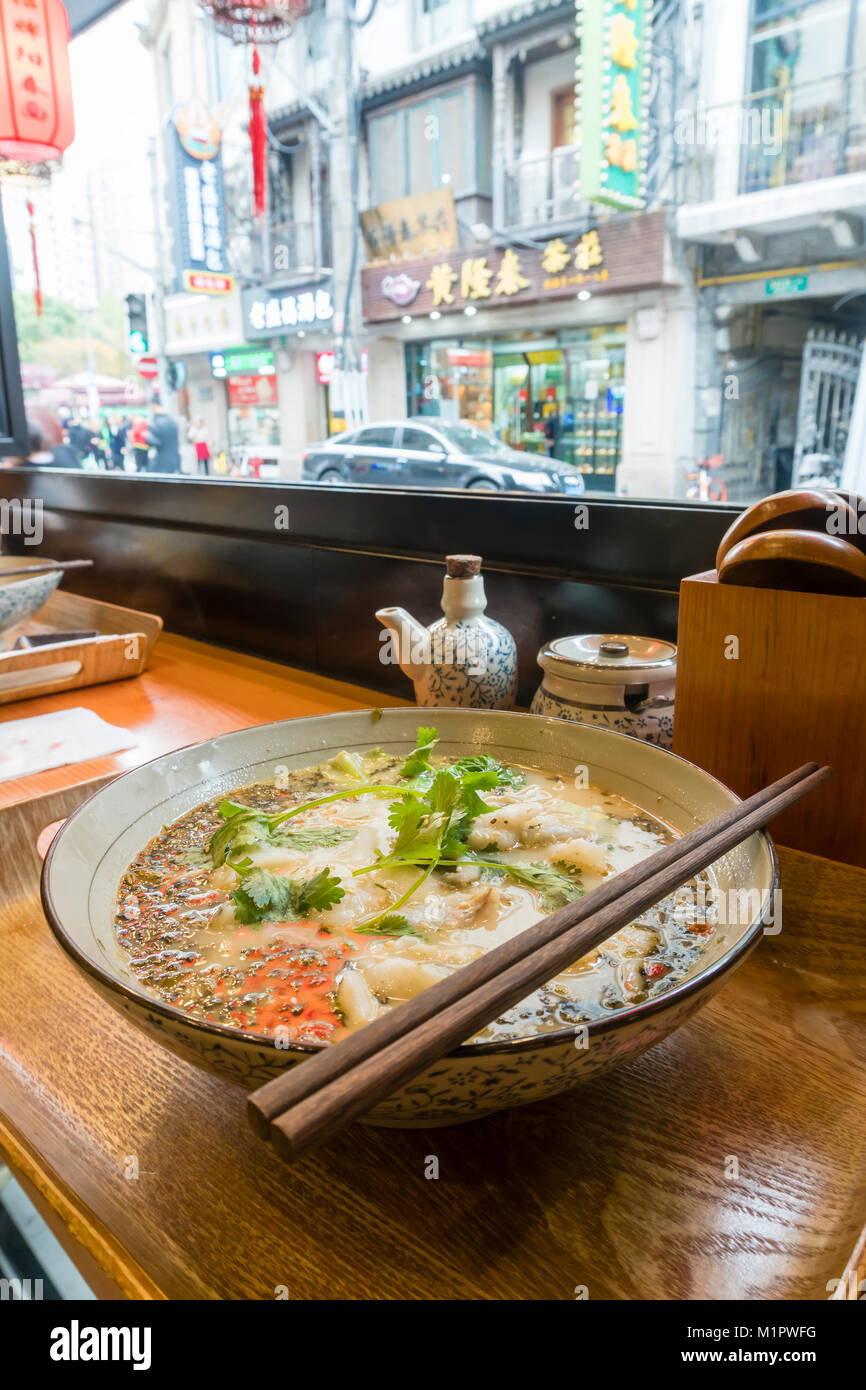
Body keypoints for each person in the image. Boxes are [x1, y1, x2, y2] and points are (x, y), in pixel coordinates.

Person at [146, 404, 181, 473]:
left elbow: (157, 442)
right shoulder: (171, 421)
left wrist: (147, 437)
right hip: (174, 459)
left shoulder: (159, 422)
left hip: (163, 460)